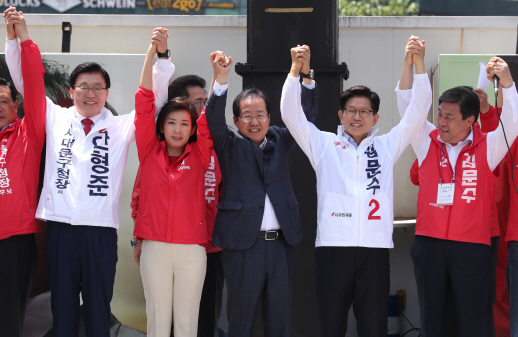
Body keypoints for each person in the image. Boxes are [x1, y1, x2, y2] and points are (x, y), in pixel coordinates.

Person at [4, 9, 175, 336]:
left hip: (99, 233)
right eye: (83, 86)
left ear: (107, 94)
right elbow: (27, 81)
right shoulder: (56, 118)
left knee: (98, 309)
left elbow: (152, 102)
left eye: (98, 87)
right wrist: (17, 39)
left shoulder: (119, 126)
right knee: (63, 309)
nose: (90, 93)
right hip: (60, 231)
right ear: (71, 91)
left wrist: (160, 58)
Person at [281, 37, 431, 337]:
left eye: (364, 111)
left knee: (373, 327)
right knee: (331, 325)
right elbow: (290, 113)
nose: (357, 116)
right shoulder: (324, 144)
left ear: (375, 117)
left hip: (374, 250)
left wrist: (417, 65)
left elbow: (417, 111)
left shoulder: (387, 146)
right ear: (341, 116)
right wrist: (295, 72)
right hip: (333, 248)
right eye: (351, 110)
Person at [397, 50, 518, 335]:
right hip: (430, 245)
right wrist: (412, 65)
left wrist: (509, 82)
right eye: (439, 113)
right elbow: (407, 107)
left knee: (472, 323)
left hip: (472, 248)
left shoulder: (490, 147)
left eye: (449, 116)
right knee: (434, 323)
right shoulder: (426, 141)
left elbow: (512, 122)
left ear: (470, 121)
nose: (441, 121)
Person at [204, 50, 318, 337]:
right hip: (244, 246)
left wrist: (306, 75)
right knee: (241, 321)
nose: (254, 122)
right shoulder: (228, 143)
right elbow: (213, 120)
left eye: (260, 115)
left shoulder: (281, 139)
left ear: (269, 117)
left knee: (278, 321)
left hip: (281, 245)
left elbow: (306, 117)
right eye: (247, 116)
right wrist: (220, 78)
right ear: (237, 119)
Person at [133, 30, 217, 337]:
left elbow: (211, 115)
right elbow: (144, 102)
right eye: (171, 122)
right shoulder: (149, 151)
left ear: (193, 128)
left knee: (186, 325)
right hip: (154, 247)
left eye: (185, 123)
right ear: (161, 126)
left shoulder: (200, 152)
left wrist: (218, 77)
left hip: (191, 250)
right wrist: (152, 54)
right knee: (157, 324)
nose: (178, 129)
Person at [0, 12, 46, 337]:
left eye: (3, 100)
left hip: (14, 241)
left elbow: (32, 84)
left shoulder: (28, 133)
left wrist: (20, 39)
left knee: (8, 320)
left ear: (16, 105)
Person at [476, 87, 517, 337]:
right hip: (499, 229)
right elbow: (499, 132)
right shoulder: (500, 135)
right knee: (500, 289)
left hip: (505, 228)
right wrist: (487, 111)